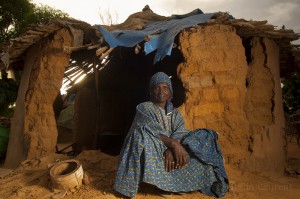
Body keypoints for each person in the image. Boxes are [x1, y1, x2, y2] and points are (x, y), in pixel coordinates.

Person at [114, 72, 228, 198]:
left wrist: (173, 147)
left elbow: (179, 131)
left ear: (170, 92)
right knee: (140, 134)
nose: (161, 91)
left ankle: (179, 183)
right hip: (155, 153)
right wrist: (173, 144)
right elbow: (150, 129)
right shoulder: (144, 107)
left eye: (165, 88)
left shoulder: (174, 113)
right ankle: (161, 185)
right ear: (151, 92)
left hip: (173, 154)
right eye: (156, 87)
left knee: (206, 135)